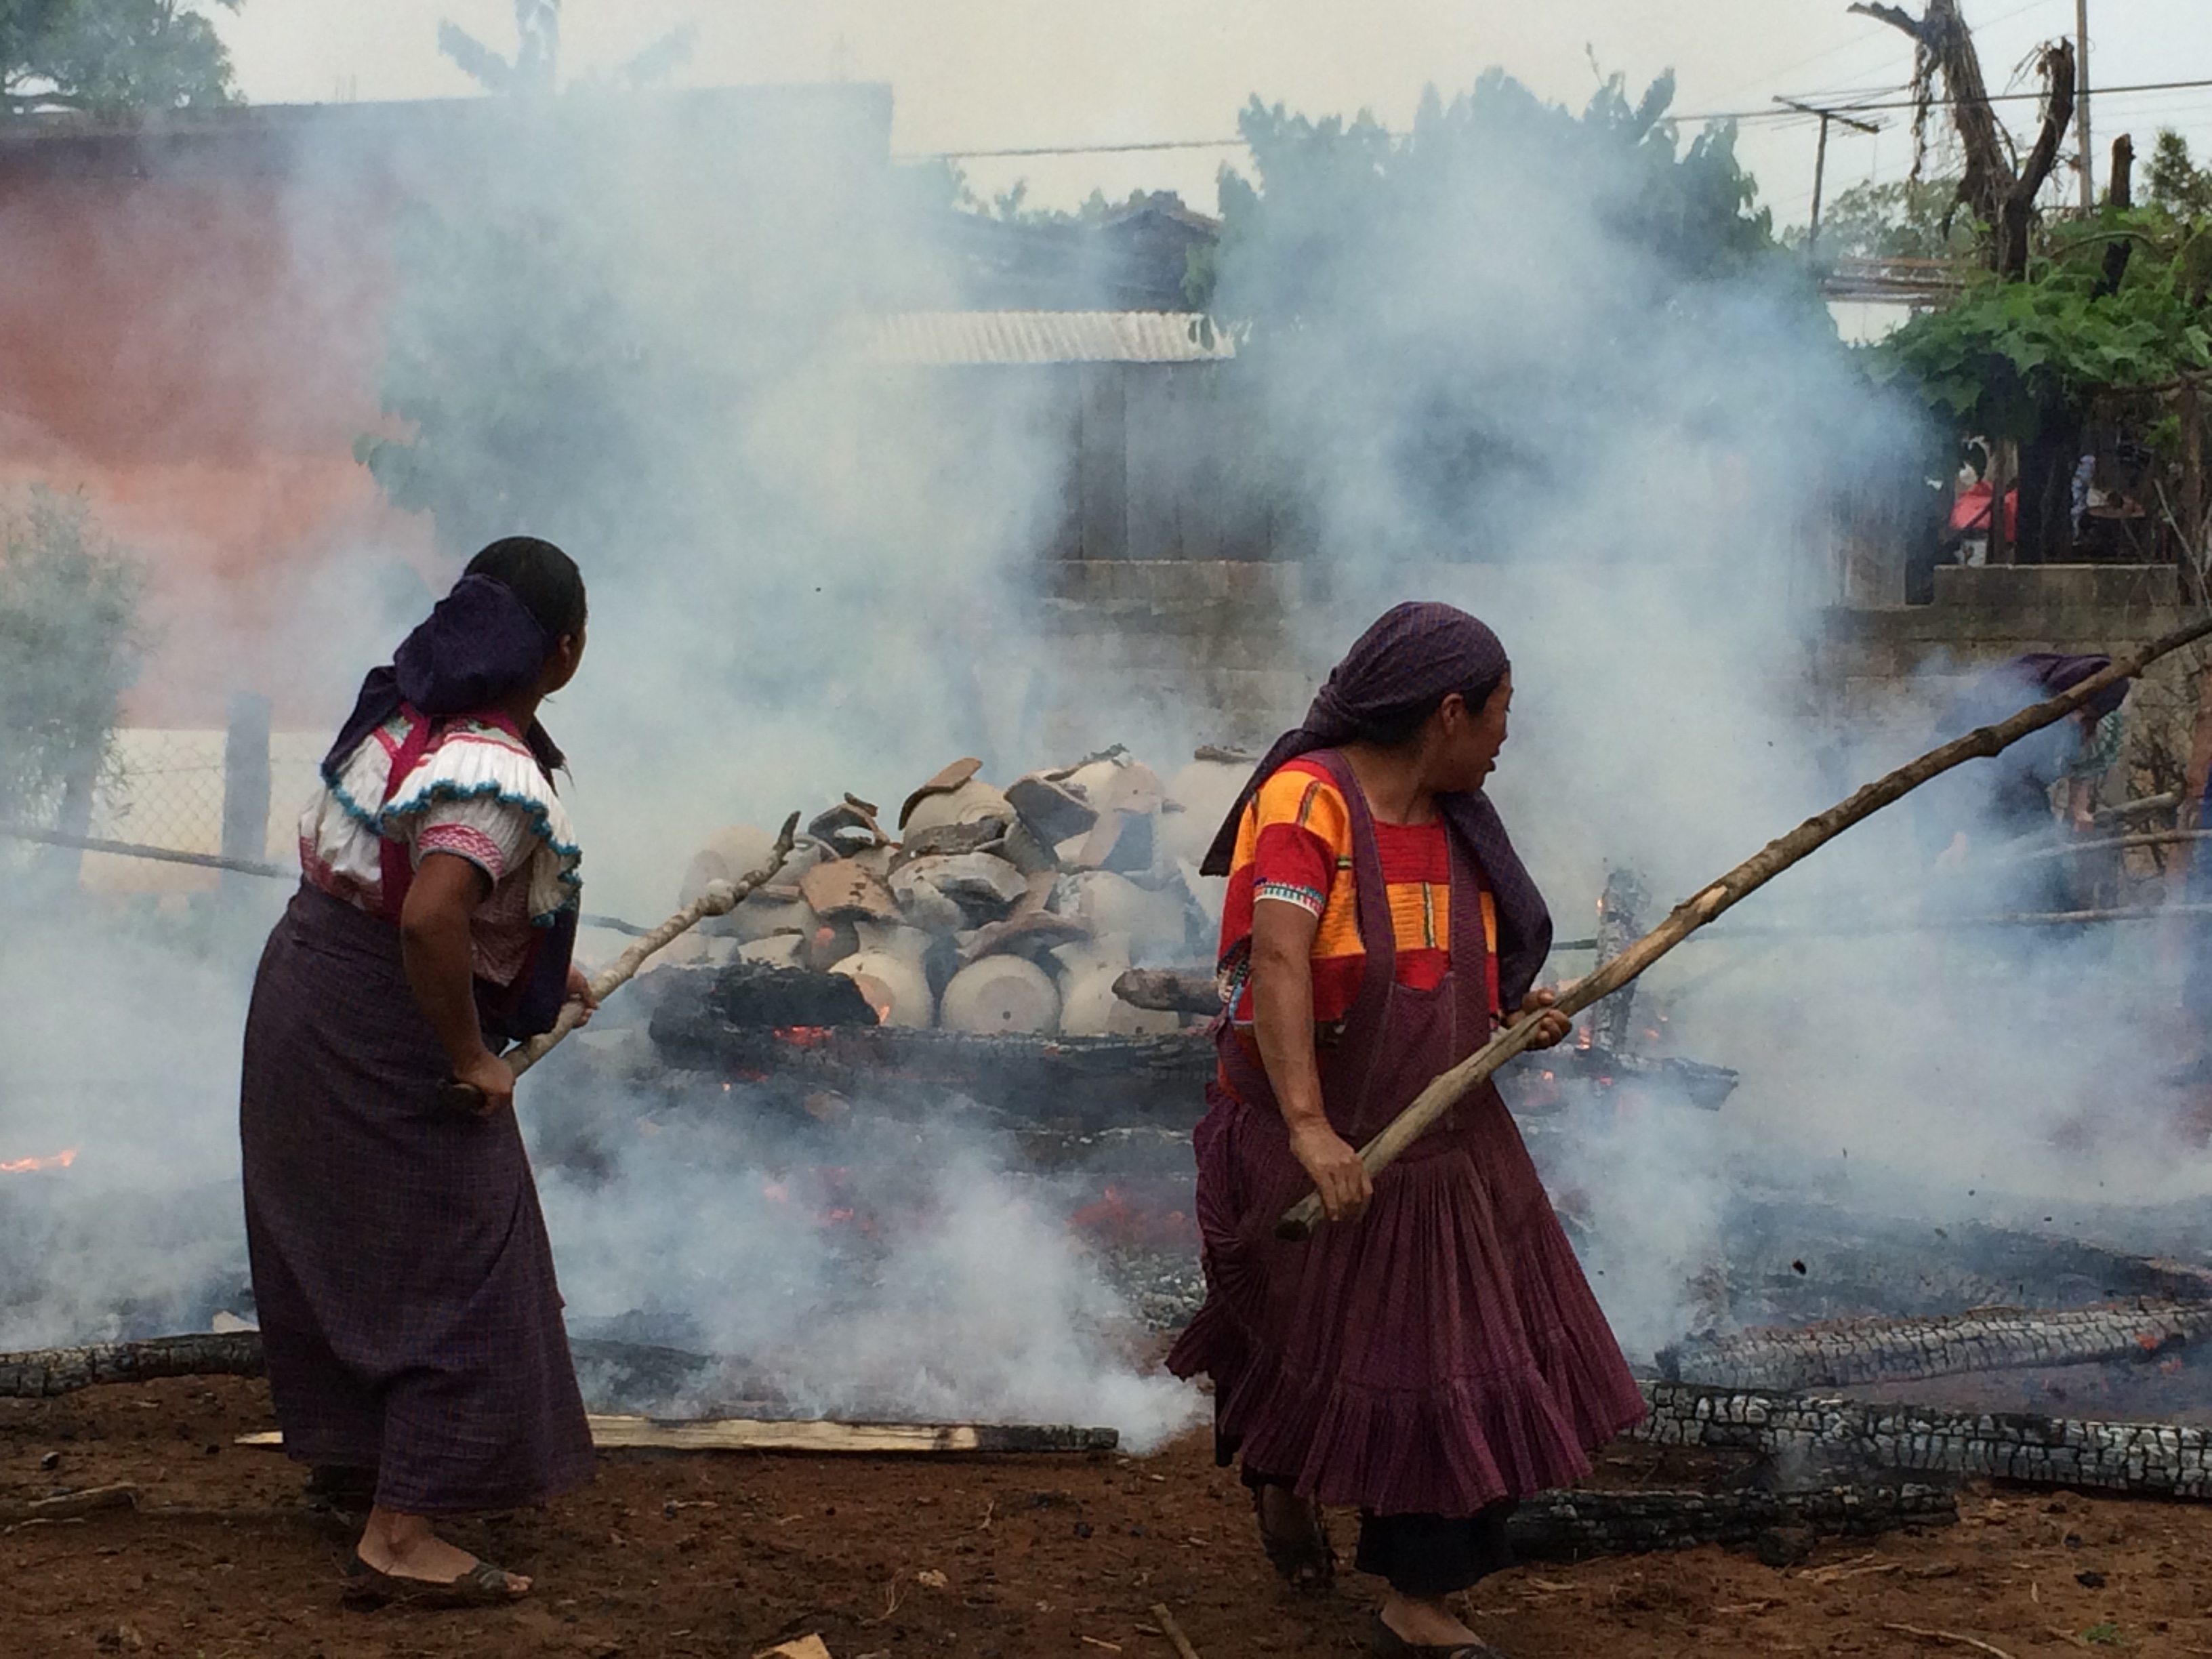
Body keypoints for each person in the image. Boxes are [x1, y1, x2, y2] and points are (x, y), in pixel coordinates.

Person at [1166, 602, 1647, 1659]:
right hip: (1319, 1140)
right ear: (1447, 712)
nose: (1507, 737)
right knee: (1295, 1342)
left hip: (1445, 1147)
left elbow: (1443, 972)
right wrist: (1306, 1125)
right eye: (1500, 716)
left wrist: (1515, 1014)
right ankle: (1280, 1478)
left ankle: (1420, 1595)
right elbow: (1280, 960)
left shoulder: (1459, 820)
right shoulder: (1307, 802)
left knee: (1466, 1354)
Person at [239, 537, 599, 1606]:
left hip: (306, 988)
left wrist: (533, 972)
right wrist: (470, 1058)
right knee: (465, 1251)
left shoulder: (406, 709)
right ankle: (399, 1538)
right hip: (383, 1020)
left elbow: (408, 891)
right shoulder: (490, 763)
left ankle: (357, 1466)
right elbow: (431, 915)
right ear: (566, 651)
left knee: (346, 1240)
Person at [1919, 653, 2131, 918]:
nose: (2078, 720)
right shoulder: (2012, 700)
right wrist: (1960, 835)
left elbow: (2084, 760)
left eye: (2088, 716)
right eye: (2078, 709)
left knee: (2044, 879)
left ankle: (2052, 939)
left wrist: (2079, 807)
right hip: (1958, 789)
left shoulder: (2101, 719)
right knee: (1963, 882)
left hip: (2024, 792)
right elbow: (1974, 775)